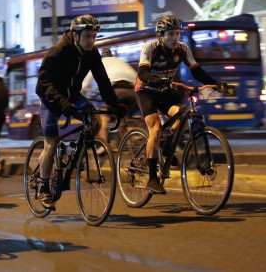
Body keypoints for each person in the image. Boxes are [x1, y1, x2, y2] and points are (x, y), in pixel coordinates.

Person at [35, 14, 127, 211]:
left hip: (73, 96)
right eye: (88, 36)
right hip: (50, 98)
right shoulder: (58, 52)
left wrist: (115, 106)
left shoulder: (92, 54)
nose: (92, 41)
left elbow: (103, 82)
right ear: (75, 35)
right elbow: (43, 83)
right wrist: (62, 103)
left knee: (95, 122)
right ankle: (44, 188)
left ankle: (73, 155)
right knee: (51, 143)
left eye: (94, 36)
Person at [136, 15, 224, 194]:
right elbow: (143, 73)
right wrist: (157, 80)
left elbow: (197, 71)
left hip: (165, 90)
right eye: (170, 34)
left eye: (177, 33)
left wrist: (215, 82)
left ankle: (168, 147)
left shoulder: (182, 49)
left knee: (183, 116)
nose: (175, 38)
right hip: (146, 91)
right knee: (155, 129)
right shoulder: (150, 48)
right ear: (160, 36)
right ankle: (152, 179)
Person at [82, 47, 138, 142]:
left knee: (104, 114)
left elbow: (85, 84)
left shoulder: (99, 63)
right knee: (123, 117)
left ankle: (103, 144)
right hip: (133, 94)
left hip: (116, 91)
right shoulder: (120, 61)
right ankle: (130, 139)